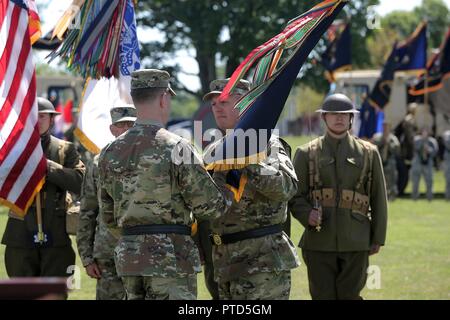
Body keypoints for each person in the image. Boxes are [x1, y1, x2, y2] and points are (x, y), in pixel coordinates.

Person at [97, 69, 230, 300]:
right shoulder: (178, 147)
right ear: (163, 98)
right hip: (171, 257)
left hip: (130, 257)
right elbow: (209, 207)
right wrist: (226, 187)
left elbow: (108, 214)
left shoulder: (109, 151)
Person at [203, 78, 300, 300]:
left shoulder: (267, 144)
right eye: (214, 104)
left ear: (246, 103)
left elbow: (286, 187)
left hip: (262, 262)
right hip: (224, 261)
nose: (217, 108)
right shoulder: (212, 151)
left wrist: (247, 161)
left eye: (224, 101)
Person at [289, 93, 388, 300]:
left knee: (350, 296)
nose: (339, 118)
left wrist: (377, 237)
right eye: (333, 113)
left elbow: (379, 198)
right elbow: (294, 195)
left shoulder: (369, 153)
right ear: (324, 117)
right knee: (322, 296)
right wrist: (307, 214)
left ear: (351, 118)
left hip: (357, 240)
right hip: (318, 240)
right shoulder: (305, 153)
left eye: (345, 113)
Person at [1, 98, 85, 295]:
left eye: (42, 116)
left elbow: (81, 181)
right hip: (20, 231)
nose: (37, 120)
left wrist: (47, 166)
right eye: (33, 116)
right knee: (22, 293)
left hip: (56, 231)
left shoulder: (65, 149)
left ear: (51, 119)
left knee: (54, 293)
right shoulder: (10, 149)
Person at [76, 105, 137, 300]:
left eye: (131, 124)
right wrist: (86, 257)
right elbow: (87, 210)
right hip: (108, 253)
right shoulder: (98, 162)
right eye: (121, 125)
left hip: (145, 251)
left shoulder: (153, 159)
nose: (127, 129)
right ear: (112, 129)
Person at [372, 121, 401, 200]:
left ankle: (392, 195)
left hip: (390, 161)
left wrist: (389, 143)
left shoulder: (393, 138)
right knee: (378, 180)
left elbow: (397, 150)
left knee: (392, 178)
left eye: (387, 127)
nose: (385, 129)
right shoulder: (377, 137)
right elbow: (374, 147)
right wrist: (383, 142)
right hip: (380, 161)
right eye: (384, 127)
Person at [410, 128, 439, 201]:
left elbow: (435, 151)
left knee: (429, 181)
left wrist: (428, 149)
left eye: (426, 132)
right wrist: (422, 144)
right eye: (423, 132)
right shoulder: (417, 140)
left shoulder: (432, 141)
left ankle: (429, 198)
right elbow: (415, 147)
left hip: (428, 164)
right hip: (417, 164)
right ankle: (414, 198)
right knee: (415, 181)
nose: (424, 134)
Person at [443, 130, 450, 200]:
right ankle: (448, 197)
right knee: (448, 180)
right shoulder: (447, 134)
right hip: (448, 160)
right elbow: (447, 144)